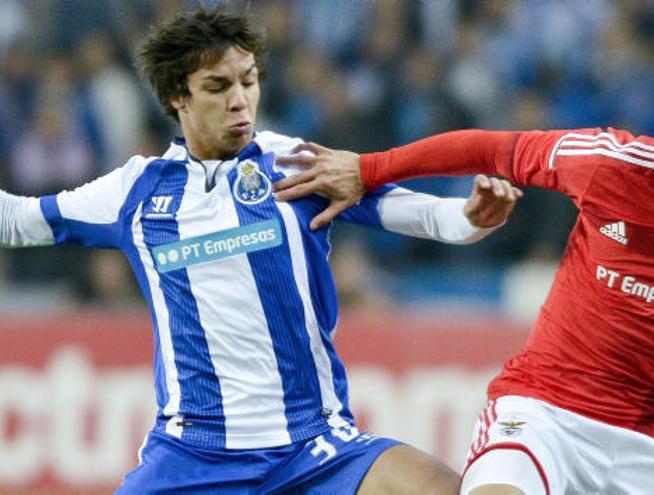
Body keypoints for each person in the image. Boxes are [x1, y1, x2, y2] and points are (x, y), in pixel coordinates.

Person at [273, 68, 654, 494]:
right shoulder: (612, 164)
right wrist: (370, 167)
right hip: (540, 413)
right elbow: (493, 149)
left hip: (644, 447)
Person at [0, 8, 522, 494]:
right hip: (190, 456)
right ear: (178, 97)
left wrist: (470, 218)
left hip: (314, 446)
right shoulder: (133, 193)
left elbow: (422, 215)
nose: (239, 100)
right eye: (217, 86)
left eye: (248, 81)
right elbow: (18, 221)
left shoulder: (292, 163)